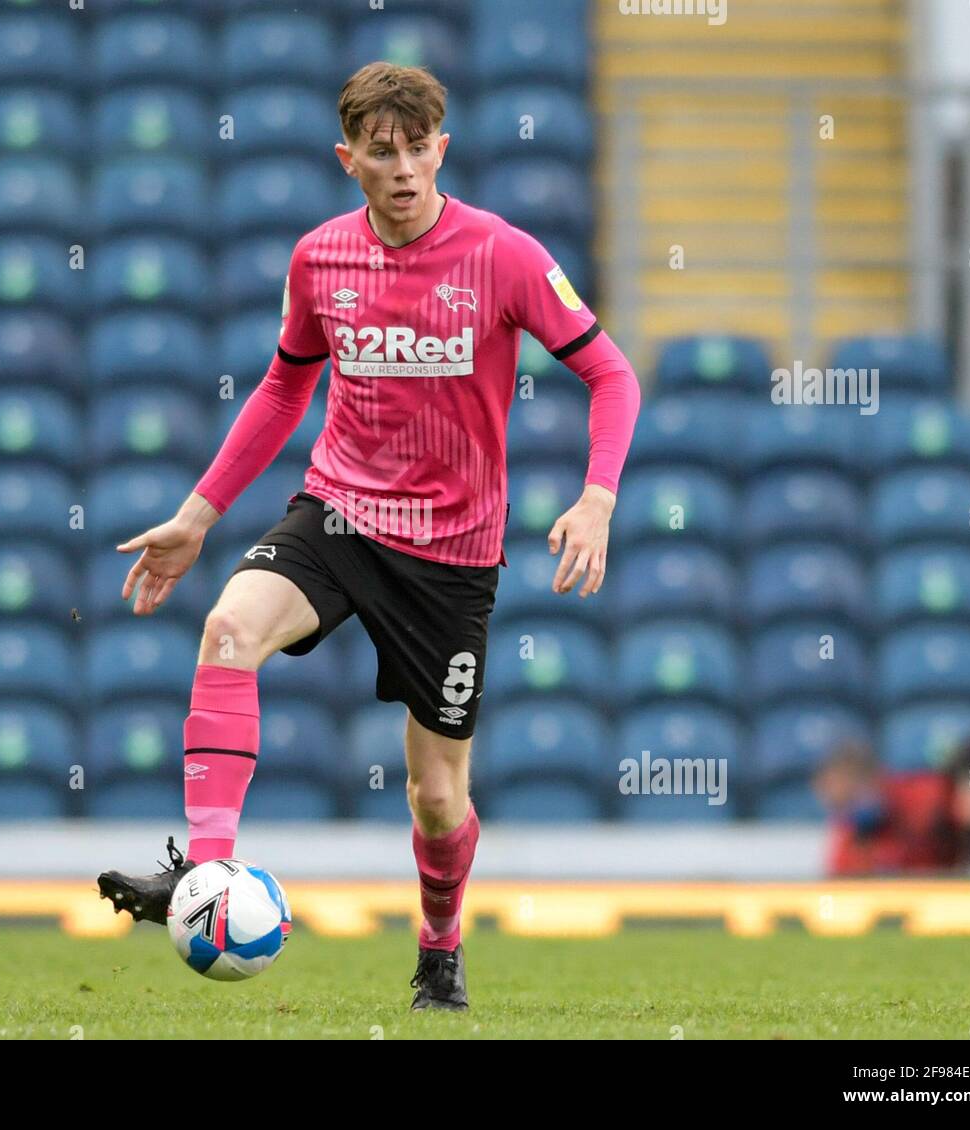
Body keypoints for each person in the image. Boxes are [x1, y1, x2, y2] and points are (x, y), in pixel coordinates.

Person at [97, 63, 640, 1011]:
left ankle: (440, 944)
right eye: (380, 153)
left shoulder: (505, 255)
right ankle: (206, 876)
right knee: (228, 630)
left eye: (417, 149)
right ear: (347, 161)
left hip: (454, 552)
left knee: (437, 798)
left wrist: (597, 497)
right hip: (340, 513)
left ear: (443, 149)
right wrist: (198, 516)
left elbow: (612, 374)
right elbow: (282, 389)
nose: (402, 169)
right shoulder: (319, 260)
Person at [814, 737, 970, 876]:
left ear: (872, 777)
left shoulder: (921, 795)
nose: (850, 808)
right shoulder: (852, 833)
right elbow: (842, 880)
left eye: (851, 795)